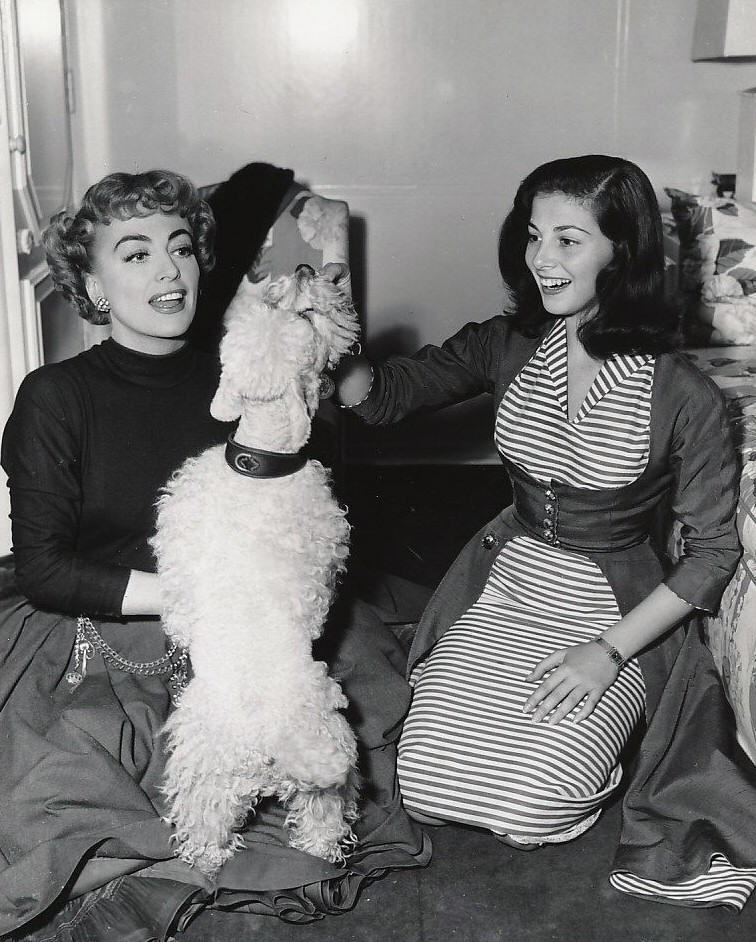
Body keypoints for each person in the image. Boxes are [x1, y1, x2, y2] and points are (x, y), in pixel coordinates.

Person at [0, 169, 430, 942]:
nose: (168, 270)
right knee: (75, 793)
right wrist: (207, 596)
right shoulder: (53, 397)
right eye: (133, 254)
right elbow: (45, 569)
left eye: (180, 248)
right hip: (113, 619)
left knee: (348, 734)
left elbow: (301, 510)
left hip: (261, 617)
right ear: (91, 285)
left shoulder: (246, 372)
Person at [334, 154, 756, 909]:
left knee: (532, 804)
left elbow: (714, 555)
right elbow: (390, 395)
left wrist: (608, 653)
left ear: (620, 252)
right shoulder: (509, 343)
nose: (541, 260)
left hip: (613, 613)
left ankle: (605, 741)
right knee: (420, 781)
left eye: (569, 240)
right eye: (533, 236)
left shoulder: (685, 393)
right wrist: (326, 345)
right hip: (507, 585)